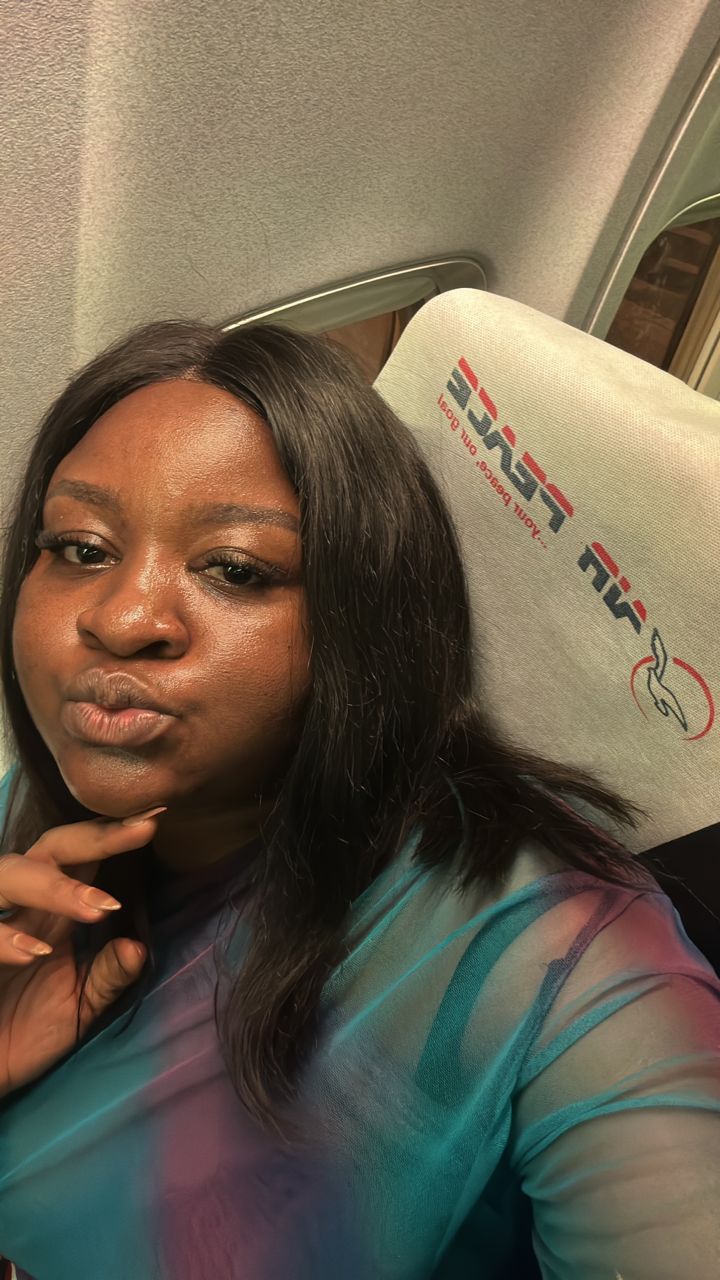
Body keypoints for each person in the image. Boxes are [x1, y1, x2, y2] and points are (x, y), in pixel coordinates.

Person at [0, 321, 717, 1280]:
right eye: (81, 548)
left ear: (363, 617)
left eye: (234, 568)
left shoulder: (558, 961)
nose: (122, 619)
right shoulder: (34, 813)